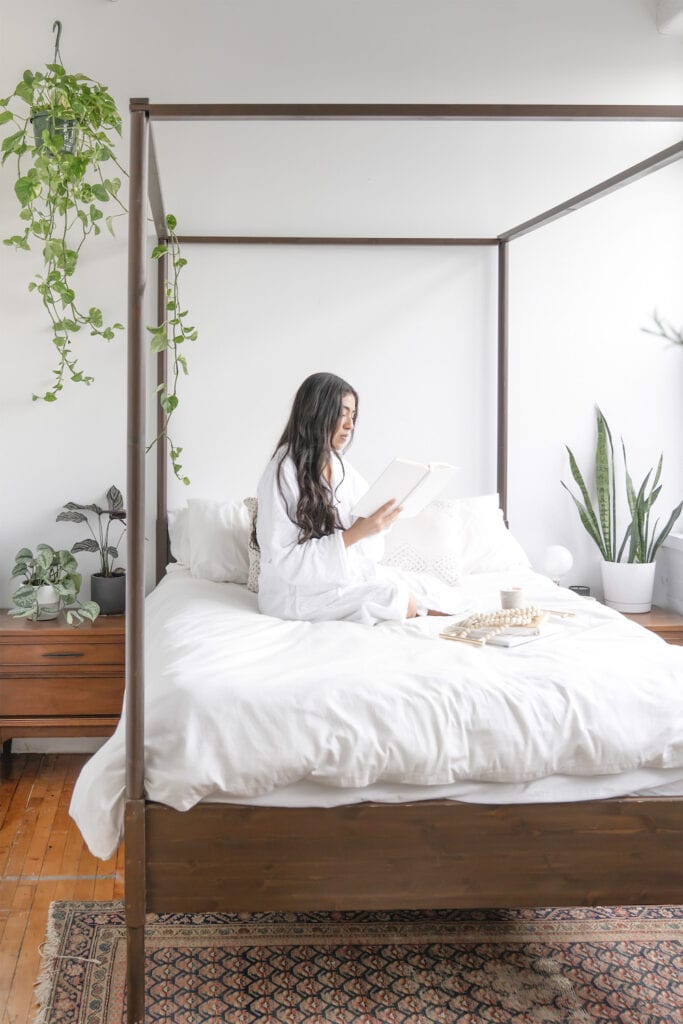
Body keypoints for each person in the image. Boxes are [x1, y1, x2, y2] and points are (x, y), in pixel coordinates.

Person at [255, 371, 460, 625]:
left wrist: (380, 521)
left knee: (433, 589)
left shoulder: (339, 465)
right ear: (316, 412)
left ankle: (438, 613)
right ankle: (429, 616)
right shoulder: (283, 472)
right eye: (342, 414)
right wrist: (357, 533)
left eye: (353, 416)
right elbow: (288, 561)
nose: (350, 425)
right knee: (395, 598)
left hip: (338, 577)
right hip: (296, 594)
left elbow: (365, 537)